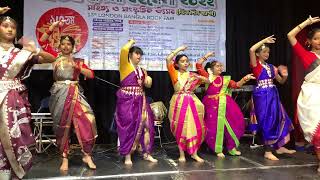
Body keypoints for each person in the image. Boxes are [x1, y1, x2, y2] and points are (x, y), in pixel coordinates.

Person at [0, 6, 56, 179]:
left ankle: (13, 173)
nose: (10, 29)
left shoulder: (21, 54)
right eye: (5, 25)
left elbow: (52, 58)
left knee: (15, 138)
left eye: (13, 27)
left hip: (14, 101)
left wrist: (35, 50)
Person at [39, 20, 97, 171]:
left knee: (88, 120)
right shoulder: (54, 58)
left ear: (73, 47)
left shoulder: (78, 61)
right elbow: (42, 41)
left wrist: (79, 67)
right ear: (59, 46)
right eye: (63, 44)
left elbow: (91, 75)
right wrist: (52, 27)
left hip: (76, 93)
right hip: (59, 94)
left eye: (68, 44)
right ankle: (64, 157)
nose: (65, 46)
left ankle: (87, 154)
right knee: (62, 126)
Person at [196, 52, 255, 158]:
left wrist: (244, 79)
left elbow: (236, 85)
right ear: (211, 68)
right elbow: (198, 65)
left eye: (221, 66)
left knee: (230, 125)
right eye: (217, 66)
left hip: (226, 105)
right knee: (213, 127)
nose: (220, 67)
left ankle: (231, 148)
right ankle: (217, 149)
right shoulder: (207, 77)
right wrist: (207, 56)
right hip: (211, 106)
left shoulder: (225, 79)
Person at [249, 35, 296, 161]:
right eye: (264, 52)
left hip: (273, 95)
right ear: (258, 54)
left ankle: (279, 147)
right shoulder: (256, 65)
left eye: (268, 52)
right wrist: (264, 41)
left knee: (279, 118)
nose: (267, 54)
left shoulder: (271, 67)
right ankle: (267, 151)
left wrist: (285, 75)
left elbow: (280, 81)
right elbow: (251, 50)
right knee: (267, 121)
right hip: (262, 96)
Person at [115, 39, 157, 165]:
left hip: (141, 101)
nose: (139, 56)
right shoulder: (125, 66)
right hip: (127, 101)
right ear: (130, 55)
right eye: (136, 53)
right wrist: (131, 42)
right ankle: (128, 155)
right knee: (128, 127)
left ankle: (146, 153)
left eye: (140, 54)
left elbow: (148, 85)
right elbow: (123, 50)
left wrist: (148, 79)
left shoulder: (142, 70)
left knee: (147, 126)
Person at [287, 15, 320, 171]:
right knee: (318, 131)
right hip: (312, 95)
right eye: (316, 39)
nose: (319, 41)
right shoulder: (306, 55)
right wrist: (306, 23)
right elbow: (290, 35)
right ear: (309, 41)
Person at [166, 45, 209, 163]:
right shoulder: (174, 73)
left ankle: (194, 153)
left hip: (192, 102)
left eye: (187, 61)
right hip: (179, 102)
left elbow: (208, 79)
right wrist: (178, 49)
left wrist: (202, 77)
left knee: (194, 127)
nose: (185, 63)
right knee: (181, 127)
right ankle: (181, 155)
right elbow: (168, 59)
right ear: (177, 64)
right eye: (182, 61)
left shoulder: (193, 75)